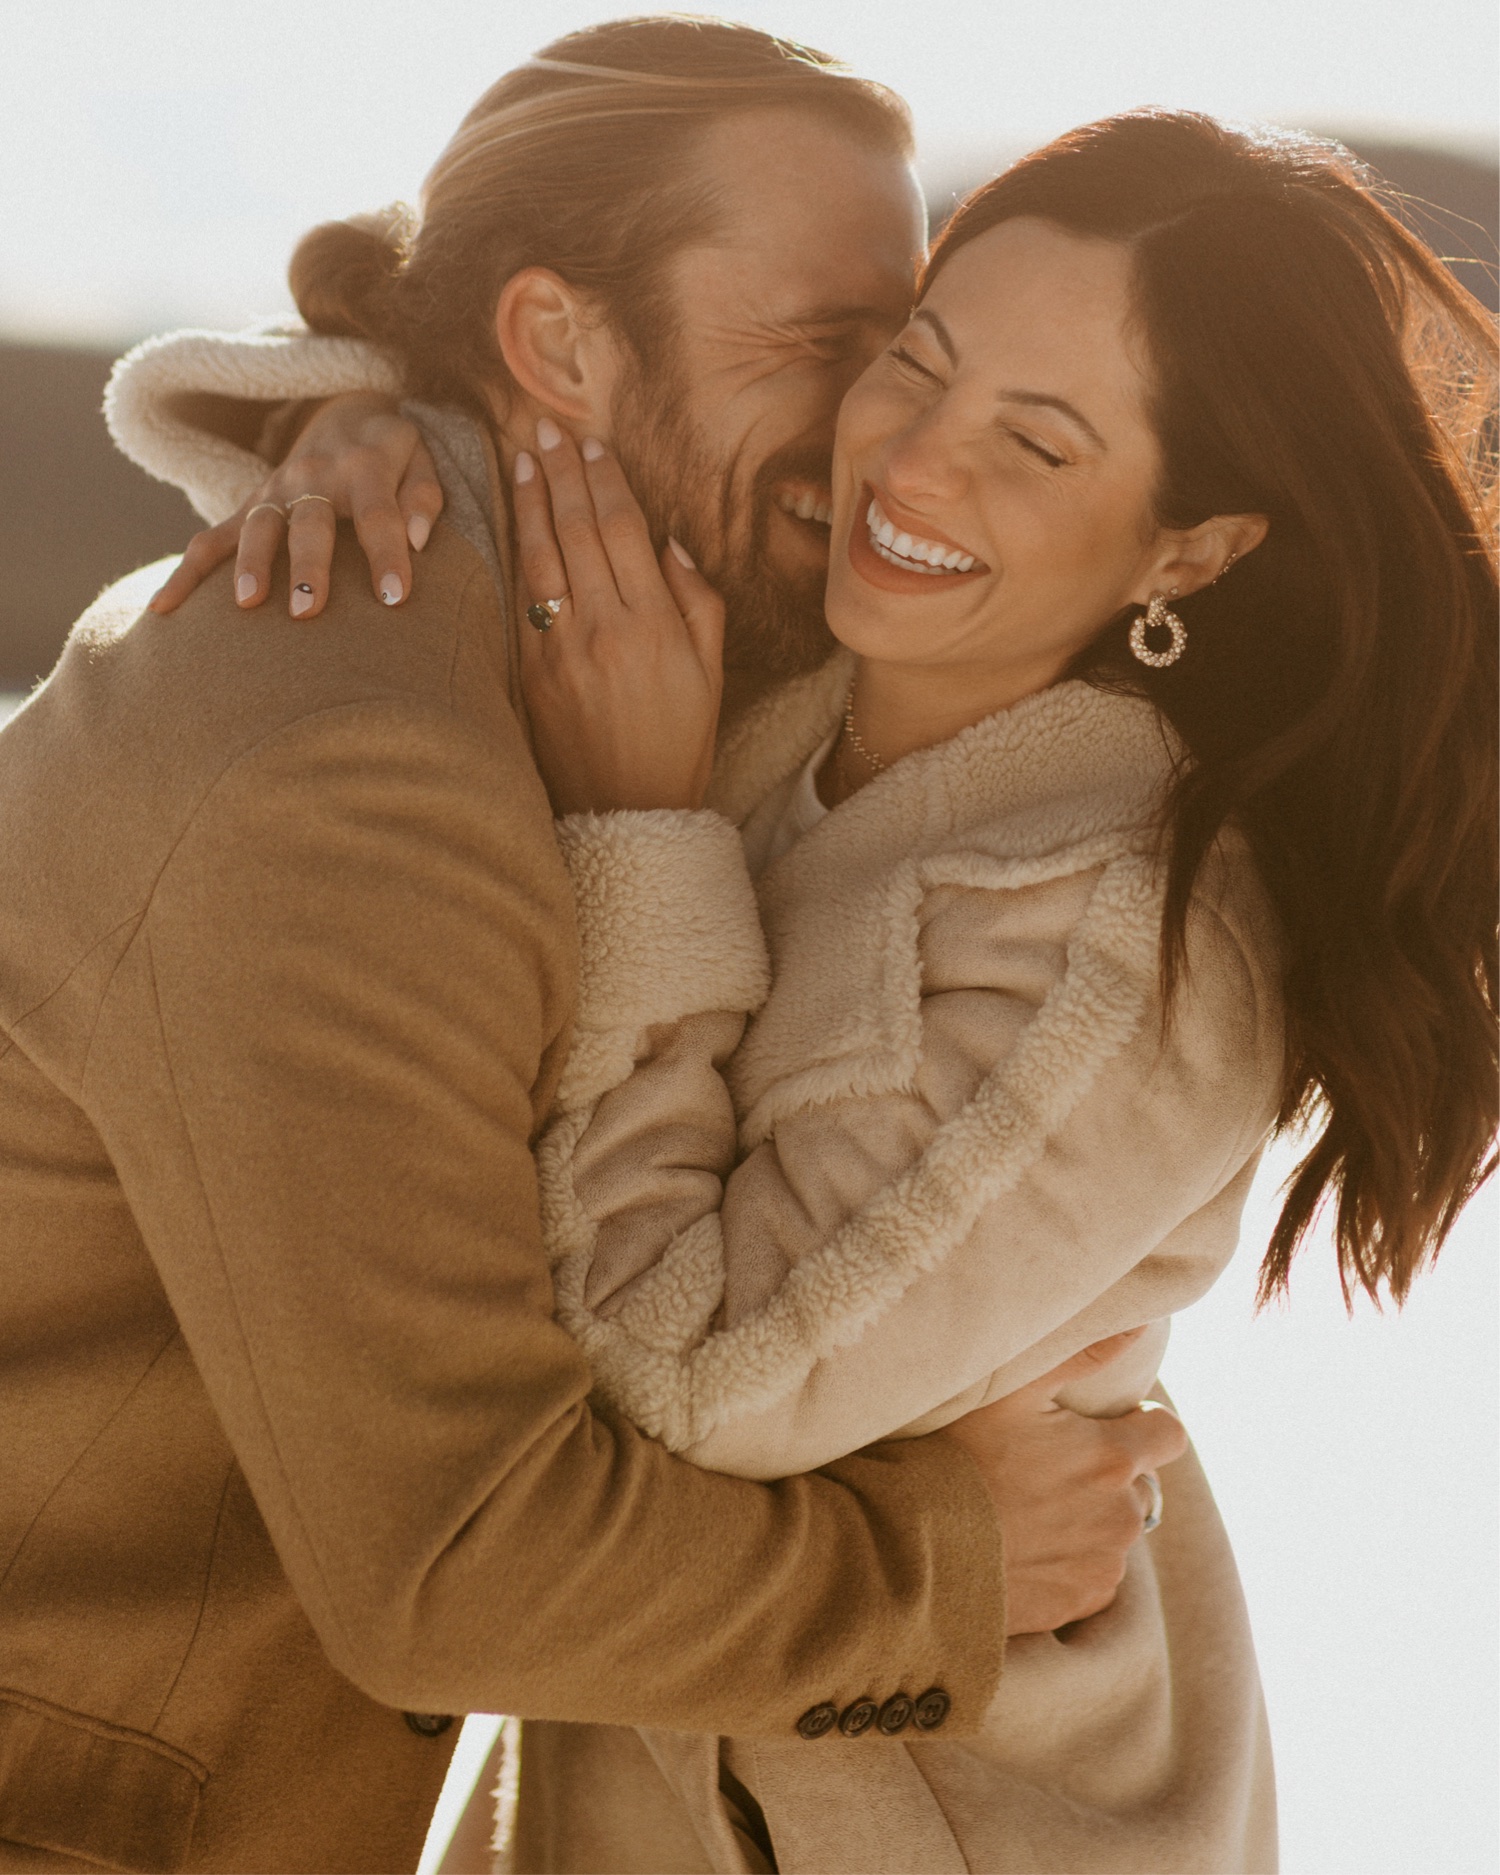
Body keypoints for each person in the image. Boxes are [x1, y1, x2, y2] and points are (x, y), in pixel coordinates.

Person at [130, 104, 1498, 1875]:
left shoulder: (1130, 947)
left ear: (1192, 549)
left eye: (1039, 442)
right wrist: (368, 430)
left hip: (922, 1824)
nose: (913, 467)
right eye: (913, 359)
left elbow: (688, 1391)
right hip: (615, 1793)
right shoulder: (776, 665)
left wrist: (638, 828)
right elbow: (544, 281)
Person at [0, 24, 1191, 1875]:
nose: (879, 418)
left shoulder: (609, 624)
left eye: (905, 341)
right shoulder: (349, 767)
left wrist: (358, 403)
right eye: (818, 342)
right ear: (555, 345)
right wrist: (953, 1572)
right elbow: (456, 1557)